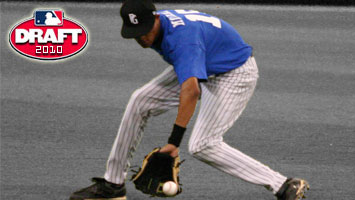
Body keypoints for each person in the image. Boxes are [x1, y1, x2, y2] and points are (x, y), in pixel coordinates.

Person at [70, 0, 309, 200]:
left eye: (144, 30)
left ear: (155, 19)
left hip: (233, 73)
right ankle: (113, 185)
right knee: (139, 100)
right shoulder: (162, 27)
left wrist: (174, 142)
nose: (142, 38)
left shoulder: (182, 40)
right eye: (136, 34)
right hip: (206, 60)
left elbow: (191, 91)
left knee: (203, 145)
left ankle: (283, 184)